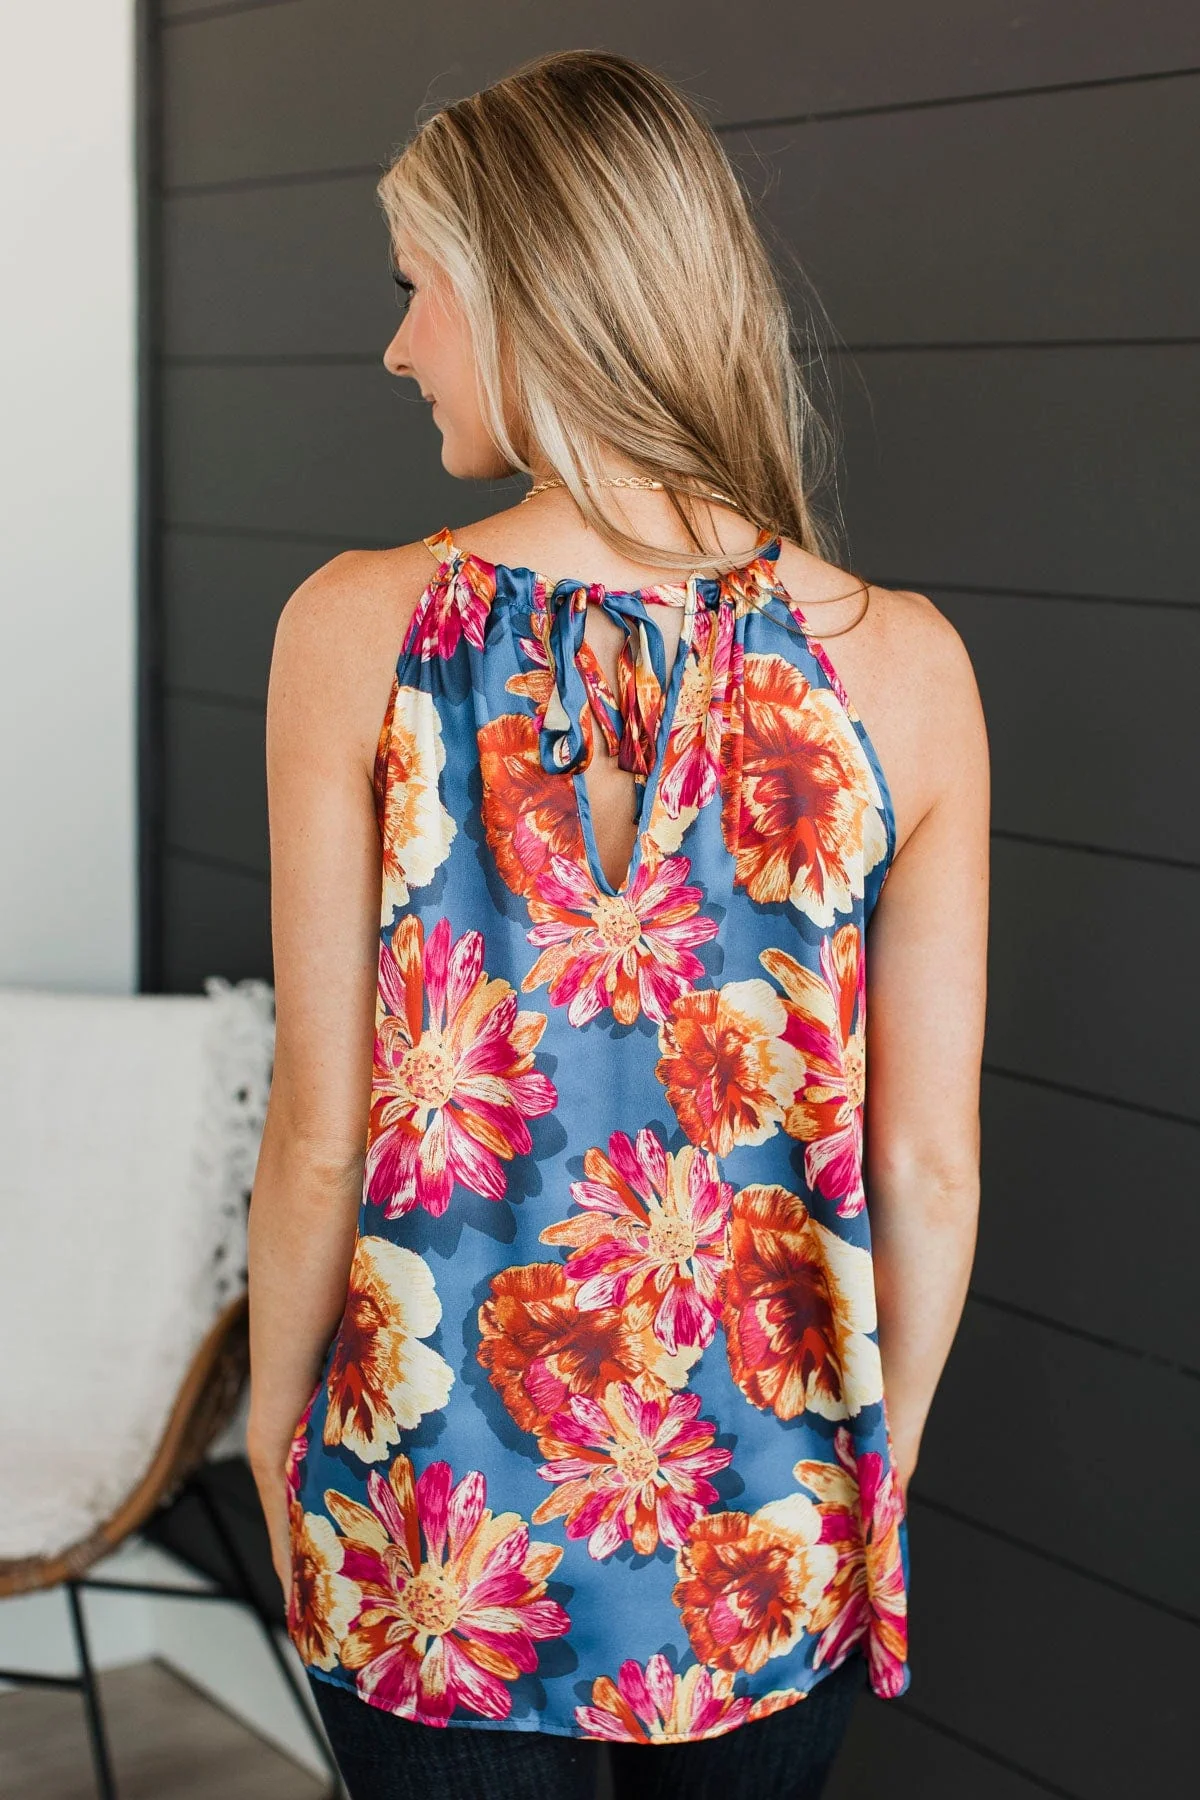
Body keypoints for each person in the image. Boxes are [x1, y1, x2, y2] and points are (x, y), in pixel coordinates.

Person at [246, 47, 988, 1800]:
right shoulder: (905, 668)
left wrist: (275, 1443)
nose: (397, 345)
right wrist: (870, 1486)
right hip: (777, 1540)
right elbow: (934, 1168)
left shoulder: (352, 634)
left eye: (417, 290)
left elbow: (315, 1134)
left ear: (524, 295)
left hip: (432, 1539)